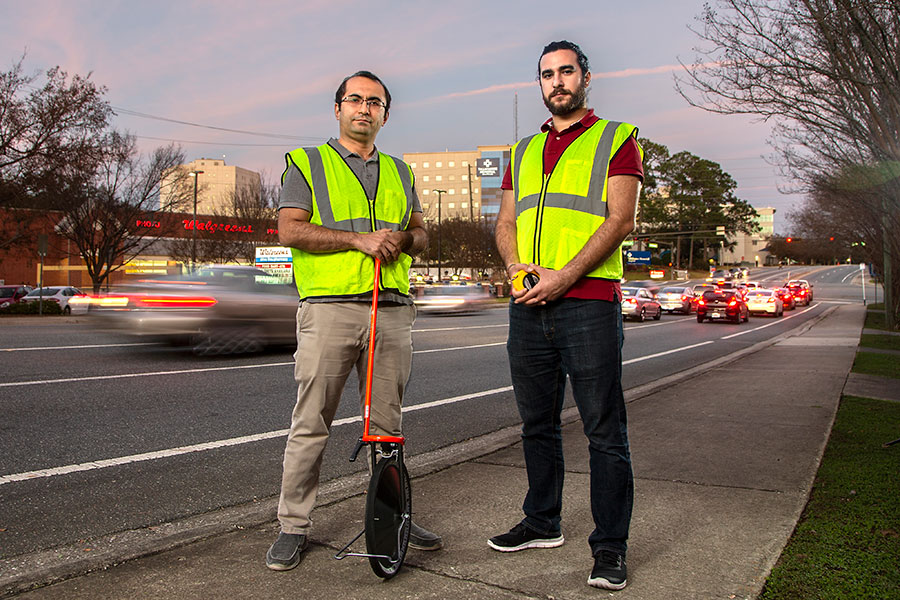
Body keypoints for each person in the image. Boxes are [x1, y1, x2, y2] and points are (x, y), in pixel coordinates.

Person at [267, 70, 441, 571]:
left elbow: (422, 235)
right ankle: (293, 526)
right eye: (355, 100)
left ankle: (393, 519)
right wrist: (359, 240)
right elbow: (289, 230)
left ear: (385, 114)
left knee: (387, 428)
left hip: (390, 308)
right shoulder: (308, 162)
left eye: (375, 102)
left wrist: (402, 239)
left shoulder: (402, 173)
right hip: (329, 308)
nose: (365, 109)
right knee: (311, 422)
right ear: (338, 109)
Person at [490, 41, 644, 591]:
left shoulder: (616, 138)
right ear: (540, 84)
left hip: (587, 303)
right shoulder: (522, 150)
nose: (557, 81)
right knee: (536, 423)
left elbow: (619, 220)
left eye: (567, 71)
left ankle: (609, 548)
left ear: (585, 78)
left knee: (604, 430)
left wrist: (565, 276)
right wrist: (515, 270)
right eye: (547, 74)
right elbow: (506, 221)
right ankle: (542, 521)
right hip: (528, 304)